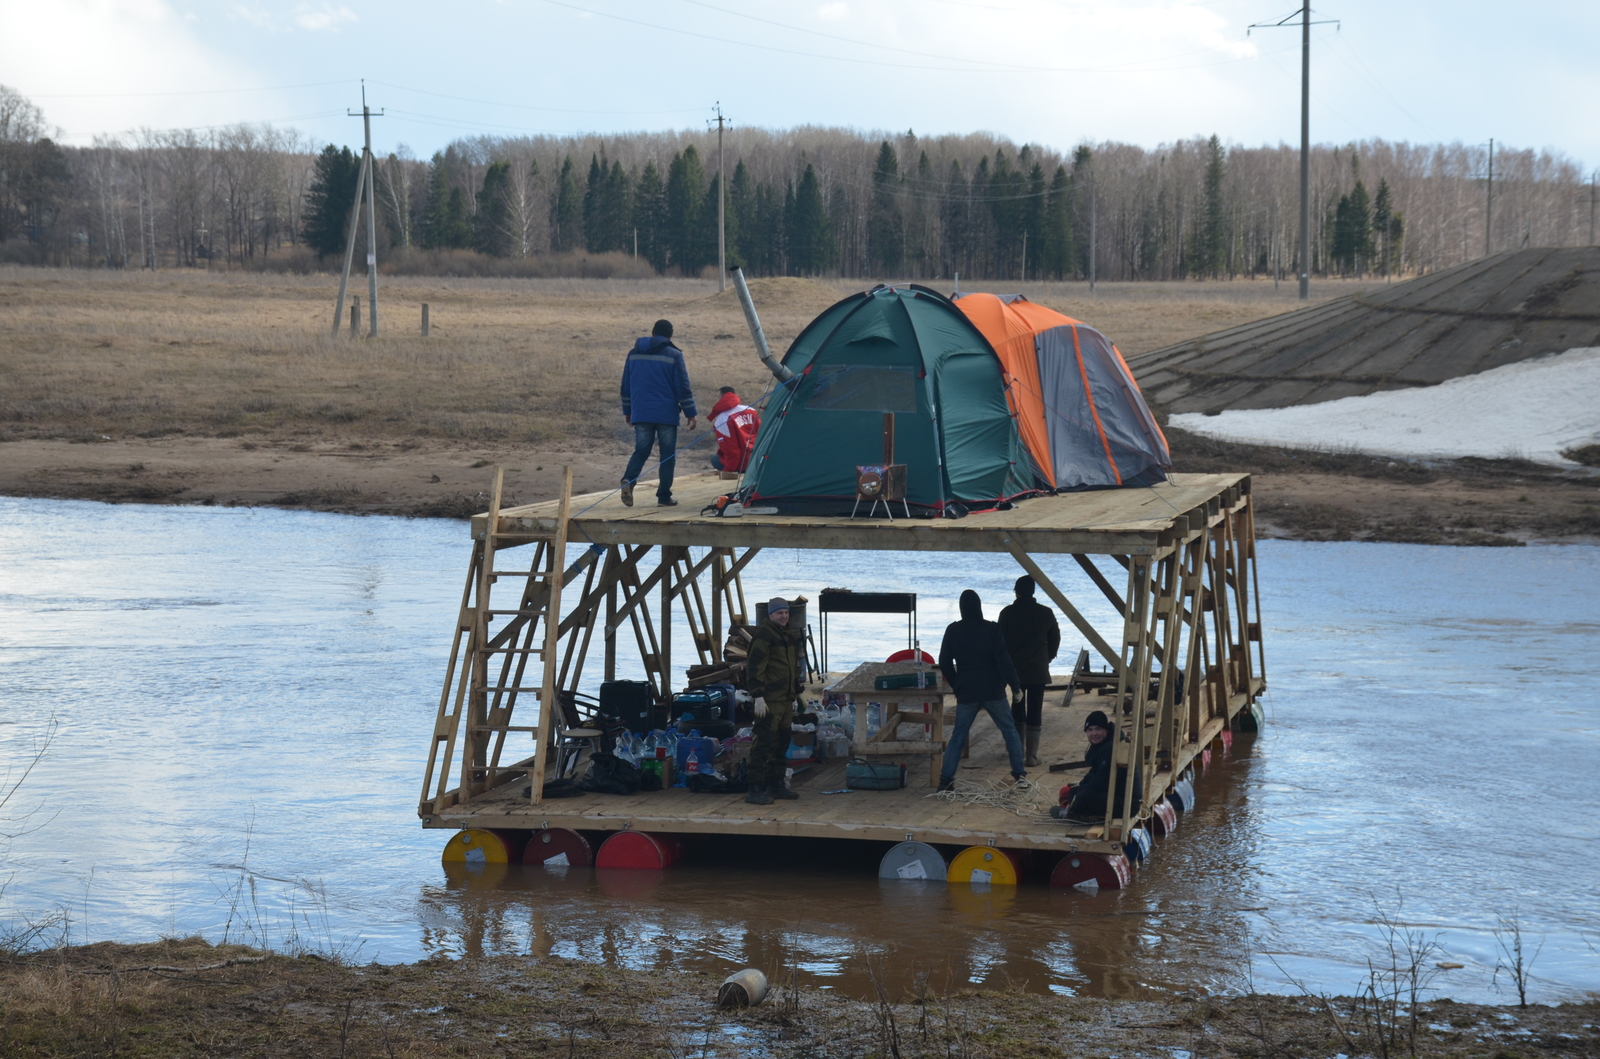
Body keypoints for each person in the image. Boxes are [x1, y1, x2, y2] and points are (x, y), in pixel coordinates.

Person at [936, 589, 1026, 791]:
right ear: (979, 606)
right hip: (993, 689)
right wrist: (1015, 686)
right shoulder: (992, 629)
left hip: (967, 690)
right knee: (1009, 732)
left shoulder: (953, 630)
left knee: (958, 735)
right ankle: (1020, 775)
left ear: (961, 608)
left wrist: (956, 683)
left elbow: (944, 662)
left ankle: (946, 781)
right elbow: (1004, 661)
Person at [620, 319, 698, 507]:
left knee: (641, 451)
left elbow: (626, 385)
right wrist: (690, 413)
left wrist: (628, 411)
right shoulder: (674, 355)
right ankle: (664, 497)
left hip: (641, 412)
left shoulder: (633, 354)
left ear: (652, 333)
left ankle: (628, 481)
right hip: (666, 414)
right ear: (670, 336)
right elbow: (682, 387)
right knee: (667, 456)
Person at [745, 596, 804, 805]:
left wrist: (796, 693)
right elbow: (754, 668)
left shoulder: (787, 637)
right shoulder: (764, 637)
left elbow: (793, 669)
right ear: (771, 615)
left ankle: (776, 785)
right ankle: (754, 788)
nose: (784, 616)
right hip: (769, 701)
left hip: (785, 700)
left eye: (786, 613)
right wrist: (758, 695)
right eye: (780, 613)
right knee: (763, 743)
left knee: (781, 744)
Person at [998, 575, 1060, 768]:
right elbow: (1055, 639)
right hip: (1037, 670)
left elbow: (999, 643)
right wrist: (1047, 658)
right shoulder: (1046, 613)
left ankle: (1016, 752)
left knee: (1017, 708)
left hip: (1015, 671)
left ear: (1016, 591)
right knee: (1035, 710)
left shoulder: (1007, 613)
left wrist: (1003, 666)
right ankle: (1031, 757)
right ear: (1033, 592)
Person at [1051, 710, 1141, 823]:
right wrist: (1078, 788)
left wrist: (1079, 793)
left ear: (1106, 730)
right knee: (1068, 791)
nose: (1094, 733)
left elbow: (1103, 782)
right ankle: (1079, 810)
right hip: (1113, 795)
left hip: (1126, 804)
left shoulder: (1111, 748)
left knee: (1084, 796)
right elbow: (1094, 774)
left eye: (1098, 729)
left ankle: (1073, 814)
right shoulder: (1101, 745)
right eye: (1090, 730)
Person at [709, 386, 761, 473]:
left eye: (718, 397)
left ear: (722, 398)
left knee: (714, 459)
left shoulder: (722, 420)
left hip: (741, 465)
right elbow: (762, 434)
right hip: (757, 460)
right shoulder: (751, 410)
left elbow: (732, 451)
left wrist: (728, 472)